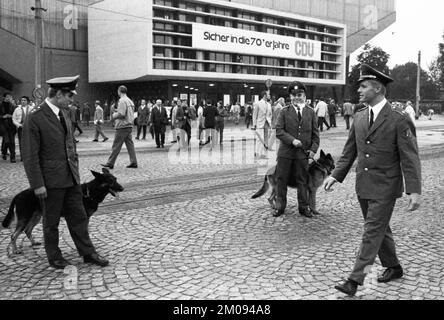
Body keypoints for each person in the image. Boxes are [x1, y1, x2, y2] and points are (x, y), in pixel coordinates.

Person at [323, 64, 422, 296]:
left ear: (377, 89)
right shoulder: (359, 116)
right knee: (380, 229)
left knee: (371, 231)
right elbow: (350, 152)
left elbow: (410, 157)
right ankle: (394, 267)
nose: (359, 90)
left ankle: (355, 279)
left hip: (386, 186)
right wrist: (335, 175)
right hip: (364, 185)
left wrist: (414, 190)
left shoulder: (398, 118)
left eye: (364, 86)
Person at [22, 75, 109, 269]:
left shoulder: (66, 113)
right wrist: (37, 184)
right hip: (51, 182)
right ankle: (54, 256)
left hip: (71, 179)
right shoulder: (35, 117)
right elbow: (30, 156)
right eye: (69, 95)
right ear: (59, 94)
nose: (71, 100)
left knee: (79, 217)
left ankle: (88, 253)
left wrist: (75, 170)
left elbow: (70, 146)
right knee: (51, 222)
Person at [274, 81, 319, 218]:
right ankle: (280, 207)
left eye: (299, 94)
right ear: (290, 97)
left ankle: (303, 207)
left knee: (302, 180)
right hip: (285, 153)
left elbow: (315, 135)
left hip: (302, 154)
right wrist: (292, 140)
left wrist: (313, 151)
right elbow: (279, 131)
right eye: (293, 95)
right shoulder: (284, 111)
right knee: (281, 180)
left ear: (304, 95)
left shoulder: (311, 112)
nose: (296, 98)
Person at [102, 85, 138, 169]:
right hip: (129, 126)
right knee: (130, 145)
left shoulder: (122, 100)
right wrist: (117, 111)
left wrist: (113, 115)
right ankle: (134, 162)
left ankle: (110, 163)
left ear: (119, 91)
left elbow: (121, 114)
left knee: (116, 145)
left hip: (122, 126)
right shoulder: (130, 100)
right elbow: (127, 112)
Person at [12, 96, 34, 161]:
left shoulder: (32, 108)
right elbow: (14, 119)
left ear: (27, 101)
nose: (23, 101)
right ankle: (23, 157)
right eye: (22, 100)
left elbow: (35, 118)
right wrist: (18, 125)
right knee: (21, 143)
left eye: (24, 100)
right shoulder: (17, 109)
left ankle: (29, 156)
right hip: (21, 128)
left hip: (29, 128)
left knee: (29, 142)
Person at [252, 91, 273, 159]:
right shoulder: (258, 103)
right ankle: (257, 153)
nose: (269, 95)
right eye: (268, 94)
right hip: (259, 123)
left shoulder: (269, 104)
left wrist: (270, 121)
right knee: (259, 139)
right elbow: (254, 115)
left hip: (267, 123)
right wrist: (254, 124)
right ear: (264, 95)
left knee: (266, 139)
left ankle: (264, 154)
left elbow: (270, 114)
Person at [0, 93, 17, 162]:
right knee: (7, 141)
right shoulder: (0, 105)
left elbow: (16, 114)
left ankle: (12, 157)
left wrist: (11, 116)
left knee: (12, 142)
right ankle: (4, 152)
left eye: (10, 97)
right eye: (7, 97)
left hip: (11, 125)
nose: (8, 98)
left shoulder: (13, 106)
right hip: (2, 125)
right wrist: (3, 116)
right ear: (4, 98)